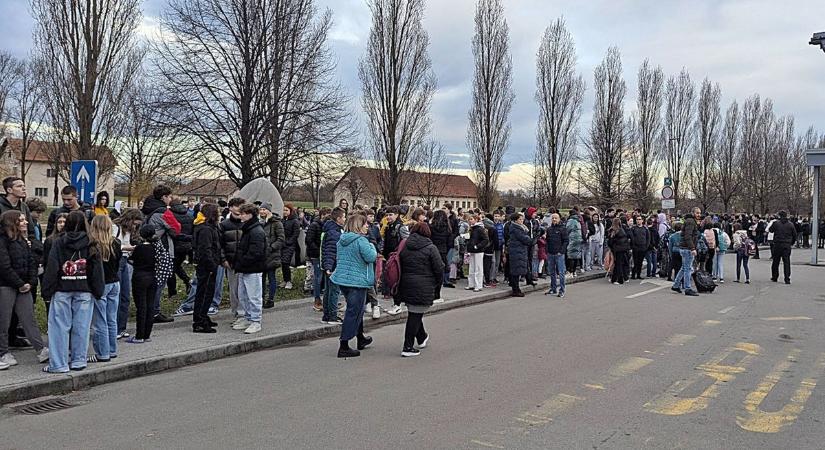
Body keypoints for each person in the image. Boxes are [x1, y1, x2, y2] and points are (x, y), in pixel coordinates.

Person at [42, 211, 105, 372]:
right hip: (84, 290)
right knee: (82, 327)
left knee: (59, 328)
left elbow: (52, 267)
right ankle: (79, 360)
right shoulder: (91, 243)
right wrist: (98, 290)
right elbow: (96, 270)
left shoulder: (58, 242)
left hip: (62, 289)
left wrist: (47, 291)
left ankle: (59, 364)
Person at [0, 210, 49, 368]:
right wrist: (20, 283)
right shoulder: (2, 241)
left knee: (29, 319)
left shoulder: (22, 240)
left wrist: (31, 281)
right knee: (4, 321)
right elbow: (4, 267)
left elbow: (31, 261)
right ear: (12, 222)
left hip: (24, 285)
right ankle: (2, 353)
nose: (26, 222)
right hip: (6, 286)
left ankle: (41, 349)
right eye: (21, 220)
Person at [331, 214, 377, 358]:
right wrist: (372, 245)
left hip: (343, 280)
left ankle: (360, 337)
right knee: (353, 312)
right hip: (357, 281)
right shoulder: (362, 241)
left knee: (358, 309)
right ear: (358, 225)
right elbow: (371, 257)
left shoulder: (342, 240)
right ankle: (343, 345)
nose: (367, 226)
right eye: (365, 224)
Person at [395, 222, 444, 357]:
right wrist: (437, 285)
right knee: (415, 315)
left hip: (406, 283)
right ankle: (407, 346)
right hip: (424, 284)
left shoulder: (405, 245)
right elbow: (439, 268)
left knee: (415, 311)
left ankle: (422, 337)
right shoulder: (430, 248)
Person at [141, 185, 180, 324]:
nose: (170, 199)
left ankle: (150, 309)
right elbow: (176, 229)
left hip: (149, 249)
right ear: (163, 197)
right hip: (161, 250)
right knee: (159, 282)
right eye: (169, 197)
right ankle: (154, 311)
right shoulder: (162, 212)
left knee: (152, 282)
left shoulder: (148, 208)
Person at [88, 215, 122, 362]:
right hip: (115, 282)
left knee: (99, 321)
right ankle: (112, 349)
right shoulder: (116, 243)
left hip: (101, 284)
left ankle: (102, 352)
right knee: (111, 319)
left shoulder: (93, 246)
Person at [230, 204, 266, 334]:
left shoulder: (256, 231)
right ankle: (247, 317)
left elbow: (256, 252)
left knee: (253, 296)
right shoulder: (248, 229)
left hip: (253, 269)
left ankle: (256, 321)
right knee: (243, 295)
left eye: (244, 213)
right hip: (245, 268)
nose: (241, 215)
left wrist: (242, 262)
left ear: (251, 214)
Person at [191, 204, 221, 333]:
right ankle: (199, 321)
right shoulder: (205, 230)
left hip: (208, 264)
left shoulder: (207, 227)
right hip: (206, 265)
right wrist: (212, 265)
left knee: (208, 292)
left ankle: (203, 316)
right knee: (204, 293)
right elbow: (205, 249)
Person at [113, 209, 142, 338]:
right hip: (118, 260)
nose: (135, 227)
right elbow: (113, 244)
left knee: (125, 295)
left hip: (125, 260)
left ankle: (122, 327)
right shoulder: (115, 228)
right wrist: (128, 248)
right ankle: (115, 327)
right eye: (134, 224)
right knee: (117, 295)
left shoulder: (128, 231)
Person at [220, 198, 245, 318]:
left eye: (241, 206)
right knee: (234, 289)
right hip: (231, 261)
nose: (238, 208)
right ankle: (236, 312)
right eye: (236, 206)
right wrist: (223, 259)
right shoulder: (224, 225)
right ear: (230, 208)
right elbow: (220, 244)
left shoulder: (246, 223)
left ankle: (243, 312)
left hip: (245, 261)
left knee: (244, 289)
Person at [321, 208, 345, 324]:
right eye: (344, 217)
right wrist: (329, 267)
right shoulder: (334, 233)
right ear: (338, 218)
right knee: (334, 291)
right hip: (333, 265)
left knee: (328, 290)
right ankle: (332, 316)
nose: (345, 219)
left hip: (329, 265)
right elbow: (330, 251)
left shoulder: (330, 230)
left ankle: (326, 315)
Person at [305, 207, 330, 312]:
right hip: (316, 255)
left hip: (323, 254)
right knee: (318, 277)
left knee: (324, 277)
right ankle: (317, 299)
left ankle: (326, 300)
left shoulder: (325, 226)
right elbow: (309, 240)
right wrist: (319, 250)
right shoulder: (314, 225)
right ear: (322, 215)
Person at [259, 203, 285, 309]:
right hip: (261, 255)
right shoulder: (259, 223)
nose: (262, 211)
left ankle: (270, 299)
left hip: (272, 254)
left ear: (269, 211)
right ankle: (261, 298)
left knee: (271, 277)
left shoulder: (276, 223)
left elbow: (281, 239)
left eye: (264, 209)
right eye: (261, 209)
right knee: (261, 279)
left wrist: (272, 247)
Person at [672, 207, 700, 296]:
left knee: (684, 268)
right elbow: (688, 236)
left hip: (684, 248)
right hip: (687, 249)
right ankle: (687, 288)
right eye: (697, 213)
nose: (698, 215)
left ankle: (676, 285)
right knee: (687, 269)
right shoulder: (691, 222)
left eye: (699, 213)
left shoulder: (689, 221)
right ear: (692, 213)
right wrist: (692, 248)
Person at [429, 209, 453, 300]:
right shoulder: (448, 228)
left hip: (432, 250)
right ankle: (437, 294)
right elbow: (450, 243)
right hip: (443, 252)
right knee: (440, 273)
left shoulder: (431, 227)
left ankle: (430, 292)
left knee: (430, 272)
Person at [507, 213, 532, 297]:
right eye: (520, 219)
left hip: (520, 251)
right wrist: (532, 239)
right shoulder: (516, 229)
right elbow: (525, 239)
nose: (522, 221)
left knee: (518, 270)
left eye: (522, 219)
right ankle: (515, 290)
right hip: (516, 251)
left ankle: (517, 288)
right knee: (516, 271)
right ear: (515, 220)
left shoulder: (521, 228)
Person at [544, 213, 569, 298]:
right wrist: (547, 250)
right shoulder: (549, 229)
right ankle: (553, 288)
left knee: (561, 273)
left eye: (556, 218)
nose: (554, 219)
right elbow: (547, 241)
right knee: (552, 272)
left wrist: (561, 251)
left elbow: (566, 241)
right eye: (553, 218)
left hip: (559, 254)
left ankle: (562, 290)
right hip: (550, 253)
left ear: (559, 219)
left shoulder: (563, 229)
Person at [768, 211, 796, 284]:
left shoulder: (776, 223)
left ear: (779, 216)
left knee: (775, 261)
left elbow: (770, 230)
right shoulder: (791, 224)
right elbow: (794, 235)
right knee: (786, 262)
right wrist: (791, 243)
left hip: (777, 244)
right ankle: (787, 278)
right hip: (787, 244)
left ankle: (775, 276)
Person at [465, 214, 489, 292]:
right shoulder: (472, 228)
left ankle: (478, 285)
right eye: (469, 219)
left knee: (478, 268)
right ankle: (471, 284)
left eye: (471, 219)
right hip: (472, 250)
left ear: (476, 220)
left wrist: (478, 246)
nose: (470, 220)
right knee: (471, 267)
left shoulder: (480, 229)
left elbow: (485, 239)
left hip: (478, 250)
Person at [280, 204, 299, 290]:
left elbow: (295, 234)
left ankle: (289, 281)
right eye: (284, 210)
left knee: (286, 262)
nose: (285, 212)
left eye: (286, 210)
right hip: (282, 244)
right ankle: (285, 279)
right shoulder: (282, 220)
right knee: (283, 264)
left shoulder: (295, 221)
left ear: (291, 211)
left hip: (290, 245)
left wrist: (288, 242)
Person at [607, 218, 630, 285]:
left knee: (617, 264)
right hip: (622, 249)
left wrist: (612, 248)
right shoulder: (621, 230)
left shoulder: (613, 230)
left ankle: (617, 279)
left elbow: (610, 242)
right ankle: (618, 279)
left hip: (616, 249)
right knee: (619, 264)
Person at [565, 209, 583, 277]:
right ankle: (574, 271)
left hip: (572, 239)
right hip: (578, 239)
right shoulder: (578, 220)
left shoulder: (571, 221)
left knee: (570, 256)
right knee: (576, 256)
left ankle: (570, 272)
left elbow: (567, 230)